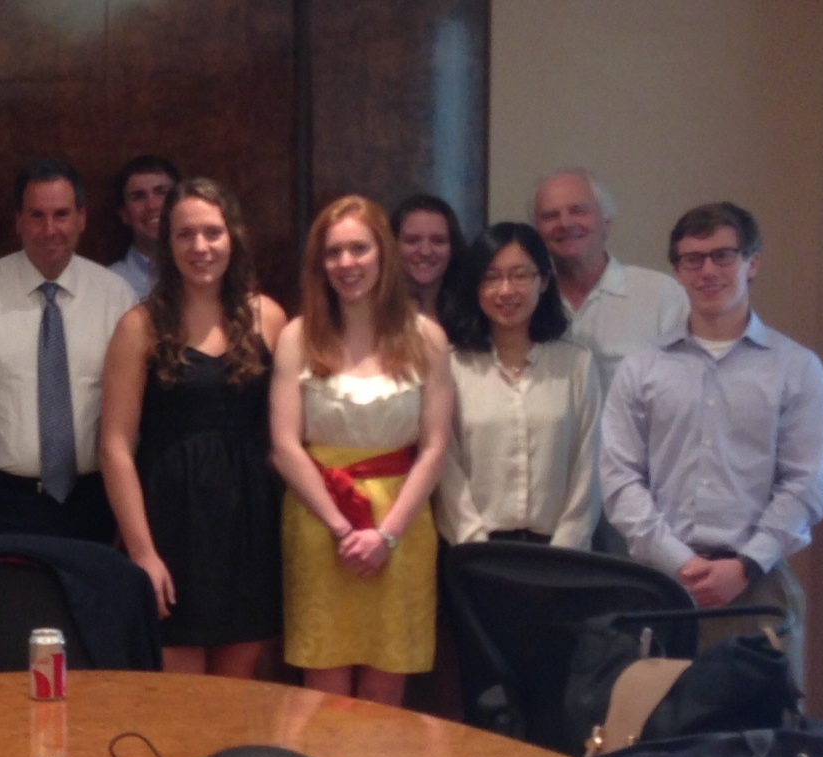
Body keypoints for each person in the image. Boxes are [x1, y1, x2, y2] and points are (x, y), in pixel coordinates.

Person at [601, 202, 823, 688]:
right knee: (657, 740)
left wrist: (745, 564)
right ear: (678, 273)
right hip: (661, 589)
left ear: (753, 263)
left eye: (723, 256)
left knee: (758, 746)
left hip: (758, 589)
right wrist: (678, 562)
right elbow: (621, 480)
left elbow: (805, 484)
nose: (708, 270)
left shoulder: (796, 368)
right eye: (693, 259)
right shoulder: (641, 370)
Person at [269, 194, 454, 706]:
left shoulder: (426, 338)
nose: (347, 264)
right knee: (321, 690)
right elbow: (285, 447)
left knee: (385, 689)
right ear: (320, 263)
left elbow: (436, 448)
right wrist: (343, 529)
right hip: (320, 517)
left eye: (359, 249)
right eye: (334, 253)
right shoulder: (297, 336)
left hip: (400, 522)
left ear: (383, 255)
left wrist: (386, 536)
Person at [99, 178, 286, 677]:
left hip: (249, 524)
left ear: (233, 238)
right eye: (185, 235)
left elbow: (286, 435)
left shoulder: (268, 318)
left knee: (242, 697)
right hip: (170, 524)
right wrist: (142, 552)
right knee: (180, 700)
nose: (200, 247)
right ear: (168, 244)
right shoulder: (138, 327)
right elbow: (115, 445)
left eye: (212, 232)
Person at [0, 158, 136, 542]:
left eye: (61, 214)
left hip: (95, 505)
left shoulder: (117, 298)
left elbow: (134, 415)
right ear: (18, 221)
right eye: (37, 215)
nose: (50, 229)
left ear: (82, 218)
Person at [436, 222, 600, 548]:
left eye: (520, 275)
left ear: (545, 281)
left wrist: (566, 549)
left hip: (560, 552)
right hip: (473, 551)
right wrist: (474, 544)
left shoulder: (576, 364)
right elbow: (445, 464)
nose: (506, 290)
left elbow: (589, 463)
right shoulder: (452, 366)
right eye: (491, 277)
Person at [530, 168, 689, 390]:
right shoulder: (526, 299)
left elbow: (685, 389)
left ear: (607, 222)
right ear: (537, 230)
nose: (565, 223)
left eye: (578, 211)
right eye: (550, 216)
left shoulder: (661, 295)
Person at [108, 154, 181, 301]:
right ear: (124, 214)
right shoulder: (107, 284)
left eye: (161, 192)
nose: (152, 205)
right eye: (139, 196)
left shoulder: (203, 272)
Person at [390, 193, 462, 319]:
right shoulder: (374, 315)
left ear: (453, 247)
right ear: (393, 245)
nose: (425, 251)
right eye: (412, 240)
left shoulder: (473, 316)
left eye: (438, 241)